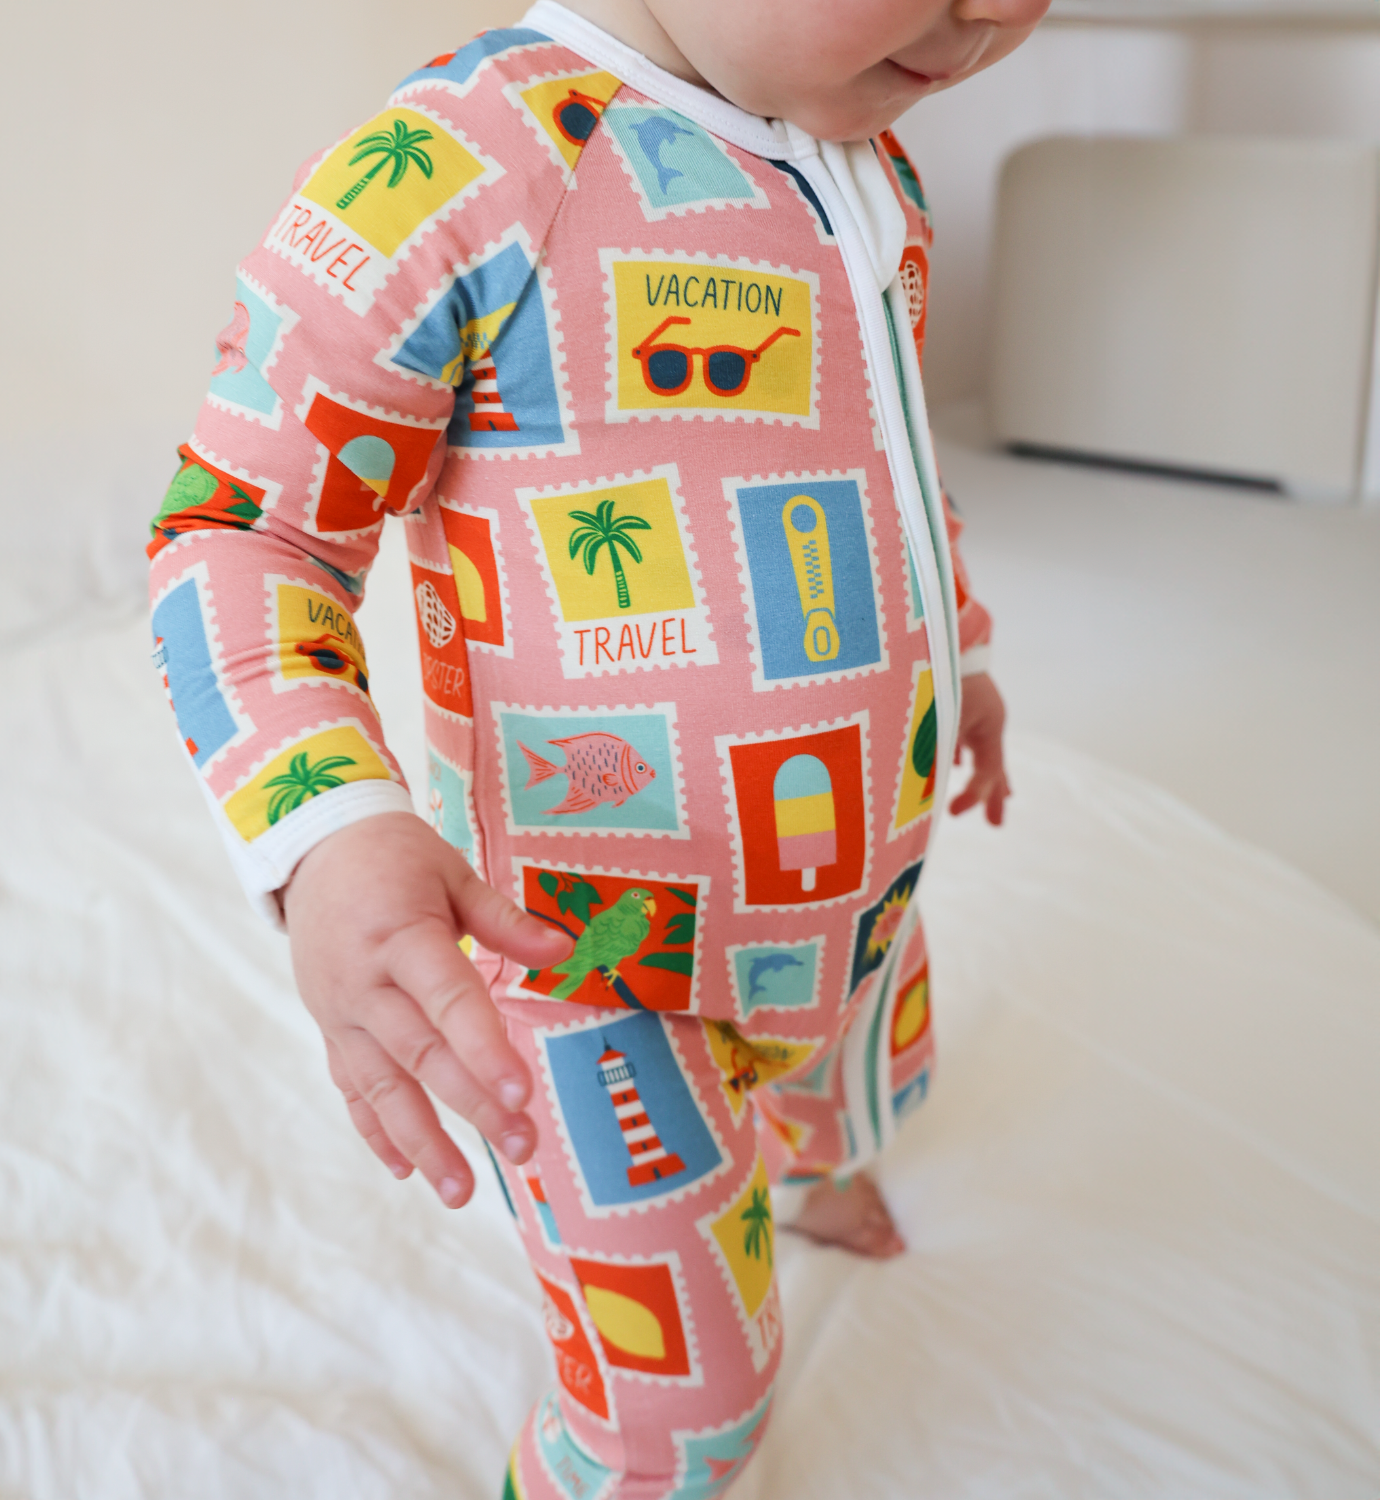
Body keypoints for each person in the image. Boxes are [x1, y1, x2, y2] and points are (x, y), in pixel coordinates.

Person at [147, 0, 1036, 1491]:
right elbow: (242, 530)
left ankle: (809, 1172)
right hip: (589, 947)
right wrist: (327, 822)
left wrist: (967, 648)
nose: (1001, 8)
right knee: (679, 1417)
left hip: (846, 873)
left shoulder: (871, 157)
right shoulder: (462, 163)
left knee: (850, 1082)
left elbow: (890, 454)